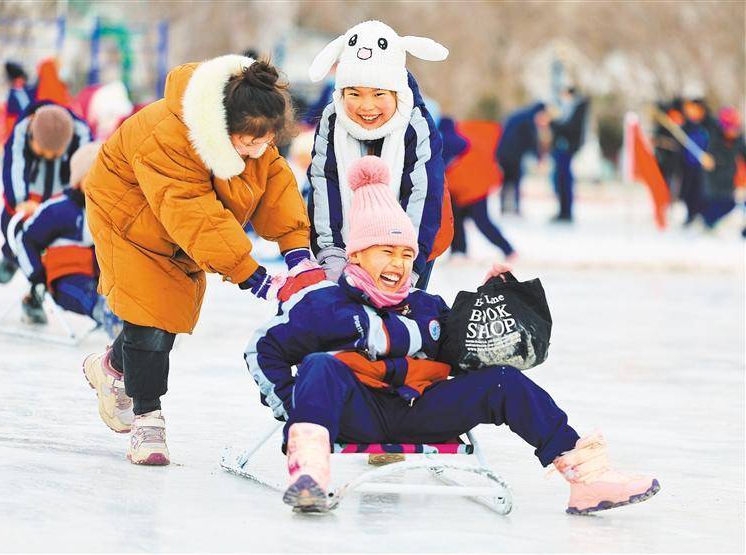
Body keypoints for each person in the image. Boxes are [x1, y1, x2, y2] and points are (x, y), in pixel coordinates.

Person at [245, 156, 660, 514]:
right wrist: (297, 409)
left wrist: (499, 301)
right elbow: (263, 350)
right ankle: (310, 476)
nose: (399, 263)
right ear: (356, 255)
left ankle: (585, 480)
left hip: (420, 412)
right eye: (386, 251)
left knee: (503, 382)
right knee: (321, 366)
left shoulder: (428, 308)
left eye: (407, 254)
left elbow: (475, 355)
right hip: (354, 416)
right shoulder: (324, 305)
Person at [81, 55, 324, 467]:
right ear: (221, 126)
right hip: (127, 218)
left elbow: (275, 185)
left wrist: (297, 251)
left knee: (169, 314)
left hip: (176, 227)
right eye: (250, 142)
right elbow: (191, 210)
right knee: (150, 315)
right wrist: (254, 276)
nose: (259, 150)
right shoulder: (169, 136)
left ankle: (111, 365)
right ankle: (147, 419)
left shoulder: (251, 132)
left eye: (267, 141)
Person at [306, 19, 453, 290]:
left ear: (395, 90)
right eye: (354, 93)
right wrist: (331, 253)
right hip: (351, 242)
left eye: (378, 94)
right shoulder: (333, 120)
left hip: (414, 243)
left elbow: (423, 193)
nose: (366, 106)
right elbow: (324, 183)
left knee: (396, 320)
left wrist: (408, 265)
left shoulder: (415, 123)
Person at [13, 142, 122, 335]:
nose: (100, 183)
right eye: (93, 176)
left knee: (121, 288)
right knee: (84, 292)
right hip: (63, 277)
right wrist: (36, 276)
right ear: (78, 181)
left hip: (98, 276)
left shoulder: (108, 209)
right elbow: (26, 239)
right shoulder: (58, 210)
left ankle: (130, 320)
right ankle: (107, 314)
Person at [0, 102, 92, 286]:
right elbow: (14, 167)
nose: (48, 157)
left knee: (54, 236)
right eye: (42, 152)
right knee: (13, 227)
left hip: (60, 194)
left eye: (55, 154)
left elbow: (87, 167)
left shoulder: (80, 134)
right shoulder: (22, 132)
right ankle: (11, 254)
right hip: (31, 193)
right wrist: (20, 201)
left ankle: (40, 288)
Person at [439, 118, 516, 260]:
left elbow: (457, 148)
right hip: (469, 188)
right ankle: (460, 251)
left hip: (472, 189)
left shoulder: (448, 141)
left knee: (481, 222)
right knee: (460, 220)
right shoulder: (462, 136)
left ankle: (508, 250)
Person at [496, 102, 551, 215]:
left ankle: (503, 207)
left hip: (503, 152)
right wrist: (538, 156)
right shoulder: (529, 119)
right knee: (515, 180)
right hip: (513, 154)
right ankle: (516, 207)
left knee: (506, 180)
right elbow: (531, 139)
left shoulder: (520, 115)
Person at [700, 107, 746, 230]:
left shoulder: (739, 140)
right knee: (717, 206)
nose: (734, 131)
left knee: (730, 204)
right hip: (713, 181)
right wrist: (706, 160)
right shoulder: (713, 139)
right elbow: (704, 155)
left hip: (730, 180)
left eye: (736, 128)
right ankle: (706, 224)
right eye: (731, 129)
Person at [550, 87, 589, 222]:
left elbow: (569, 128)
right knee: (559, 181)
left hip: (566, 149)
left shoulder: (577, 108)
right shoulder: (570, 108)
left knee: (564, 181)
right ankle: (563, 210)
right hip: (562, 148)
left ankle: (565, 212)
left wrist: (553, 124)